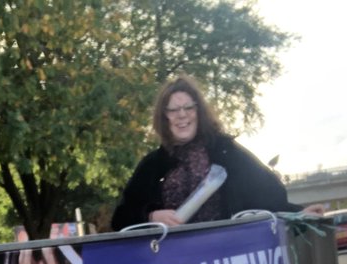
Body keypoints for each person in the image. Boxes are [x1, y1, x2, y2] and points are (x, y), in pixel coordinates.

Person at [111, 75, 319, 230]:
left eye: (188, 108)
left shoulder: (226, 151)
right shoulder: (152, 165)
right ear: (164, 117)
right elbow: (120, 218)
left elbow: (268, 194)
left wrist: (298, 214)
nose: (182, 115)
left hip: (226, 260)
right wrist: (151, 216)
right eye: (173, 110)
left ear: (198, 112)